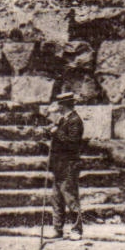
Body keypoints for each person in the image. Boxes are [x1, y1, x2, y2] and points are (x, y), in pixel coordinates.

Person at [45, 90, 83, 239]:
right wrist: (50, 131)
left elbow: (73, 143)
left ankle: (76, 230)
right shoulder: (62, 120)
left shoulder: (75, 120)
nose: (57, 106)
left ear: (64, 105)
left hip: (69, 165)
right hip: (59, 165)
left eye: (59, 104)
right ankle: (57, 229)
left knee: (70, 198)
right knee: (56, 199)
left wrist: (56, 133)